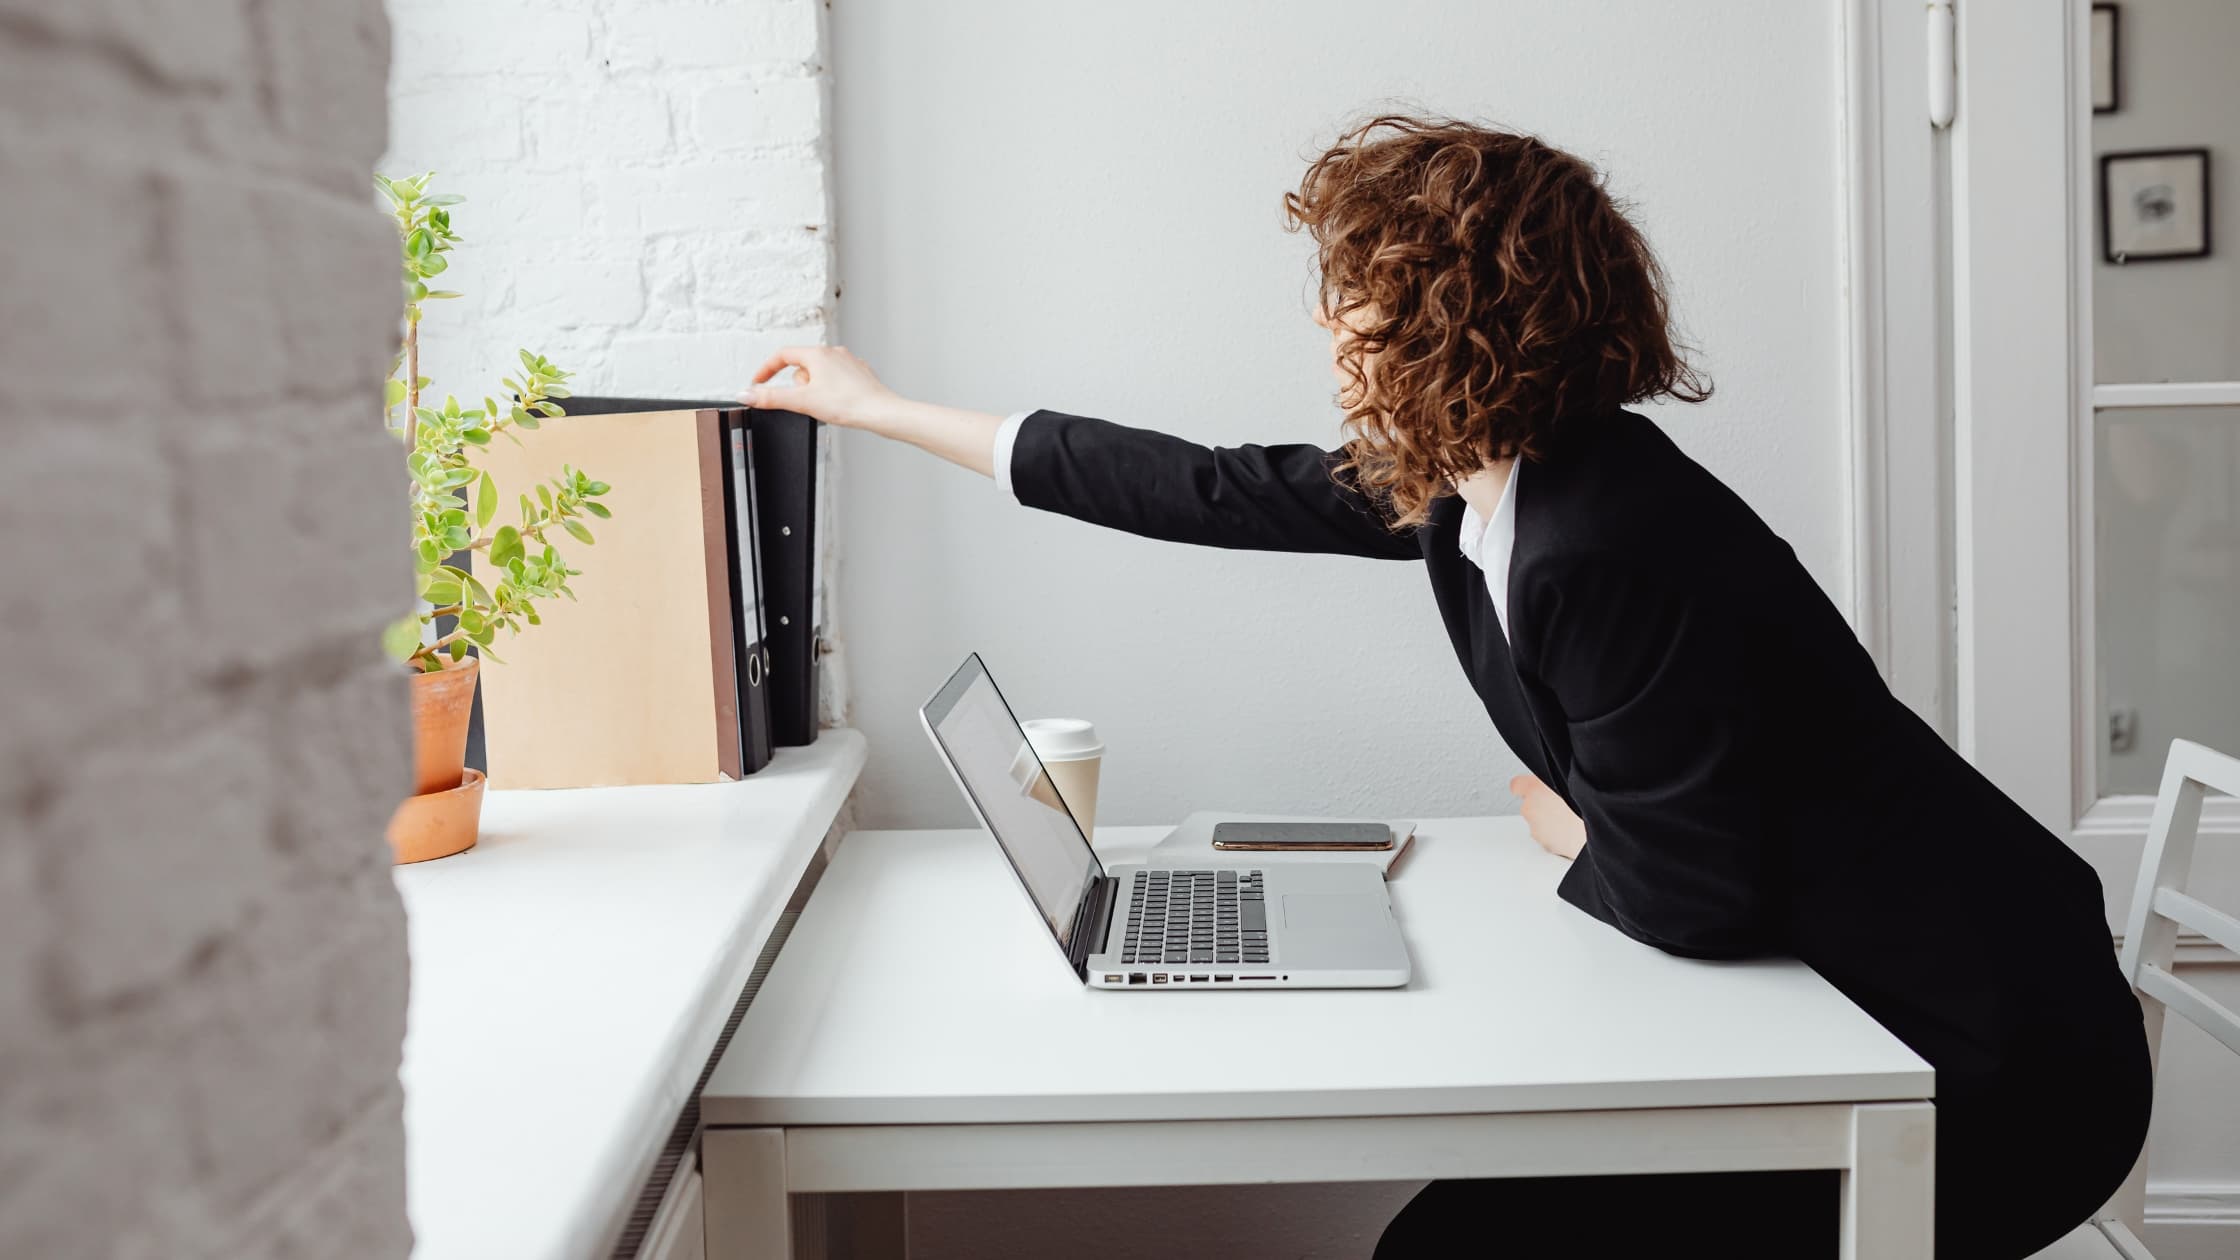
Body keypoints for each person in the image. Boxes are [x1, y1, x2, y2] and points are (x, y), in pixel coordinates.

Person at [739, 114, 2150, 1259]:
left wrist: (1575, 831)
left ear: (1447, 318)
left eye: (1350, 295)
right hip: (1862, 997)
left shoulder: (1603, 539)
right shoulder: (1489, 484)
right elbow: (1203, 486)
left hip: (1987, 1063)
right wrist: (876, 408)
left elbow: (1693, 895)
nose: (1326, 329)